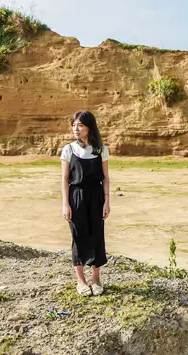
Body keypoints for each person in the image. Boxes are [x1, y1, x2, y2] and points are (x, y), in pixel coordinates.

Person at [60, 110, 111, 296]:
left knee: (97, 234)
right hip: (76, 196)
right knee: (78, 235)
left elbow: (105, 177)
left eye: (80, 125)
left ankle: (96, 278)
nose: (76, 128)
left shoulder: (100, 149)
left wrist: (107, 201)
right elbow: (64, 179)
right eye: (74, 125)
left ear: (89, 127)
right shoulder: (68, 150)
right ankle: (80, 281)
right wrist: (65, 204)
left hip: (96, 196)